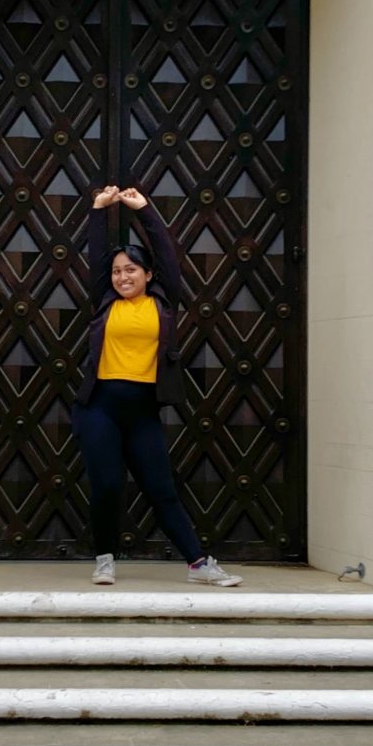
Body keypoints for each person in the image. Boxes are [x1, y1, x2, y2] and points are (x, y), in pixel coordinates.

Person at [72, 184, 242, 587]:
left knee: (161, 488)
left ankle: (199, 564)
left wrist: (143, 209)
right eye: (116, 271)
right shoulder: (104, 301)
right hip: (99, 407)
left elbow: (167, 255)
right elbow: (96, 258)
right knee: (107, 485)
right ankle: (105, 559)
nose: (122, 276)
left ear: (148, 275)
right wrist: (98, 210)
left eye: (131, 269)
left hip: (142, 408)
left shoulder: (163, 302)